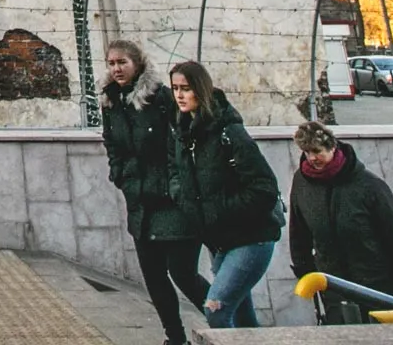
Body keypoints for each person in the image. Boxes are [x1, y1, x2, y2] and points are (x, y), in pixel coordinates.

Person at [101, 41, 210, 345]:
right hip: (139, 202)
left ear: (137, 63)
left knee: (183, 273)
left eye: (122, 62)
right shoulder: (111, 102)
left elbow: (176, 146)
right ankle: (175, 338)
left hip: (171, 202)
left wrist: (171, 186)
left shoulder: (161, 97)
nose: (116, 69)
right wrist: (120, 175)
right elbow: (111, 144)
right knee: (154, 278)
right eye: (111, 63)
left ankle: (227, 325)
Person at [288, 121, 393, 322]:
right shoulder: (302, 183)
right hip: (335, 290)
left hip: (379, 289)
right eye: (306, 152)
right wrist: (304, 269)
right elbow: (298, 231)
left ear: (332, 147)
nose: (311, 158)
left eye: (317, 151)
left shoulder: (369, 186)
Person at [167, 60, 282, 329]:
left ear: (201, 90)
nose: (180, 95)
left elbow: (265, 188)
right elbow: (177, 173)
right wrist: (183, 199)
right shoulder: (184, 133)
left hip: (252, 238)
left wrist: (217, 210)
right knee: (243, 319)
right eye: (175, 88)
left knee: (216, 309)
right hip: (220, 241)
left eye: (186, 88)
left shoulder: (229, 132)